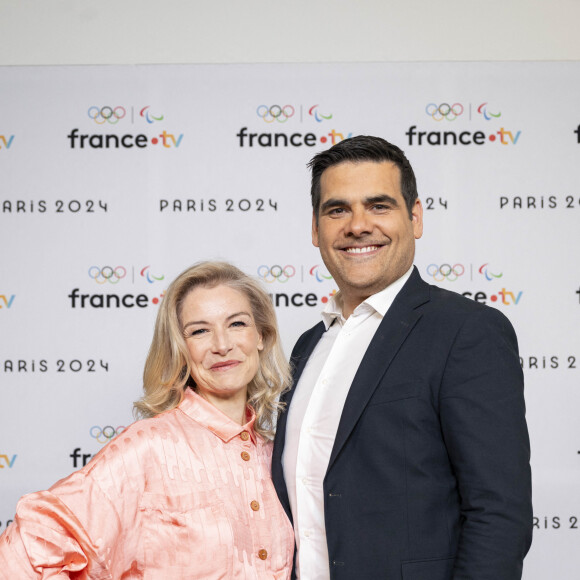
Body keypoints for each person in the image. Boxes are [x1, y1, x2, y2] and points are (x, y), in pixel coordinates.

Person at [272, 136, 533, 580]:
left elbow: (498, 515)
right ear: (315, 229)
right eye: (337, 210)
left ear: (414, 218)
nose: (357, 226)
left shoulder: (466, 331)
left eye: (379, 206)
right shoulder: (306, 346)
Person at [0, 262, 294, 579]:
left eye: (237, 324)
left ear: (262, 336)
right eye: (200, 331)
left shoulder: (280, 457)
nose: (222, 345)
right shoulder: (149, 446)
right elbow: (27, 549)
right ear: (181, 349)